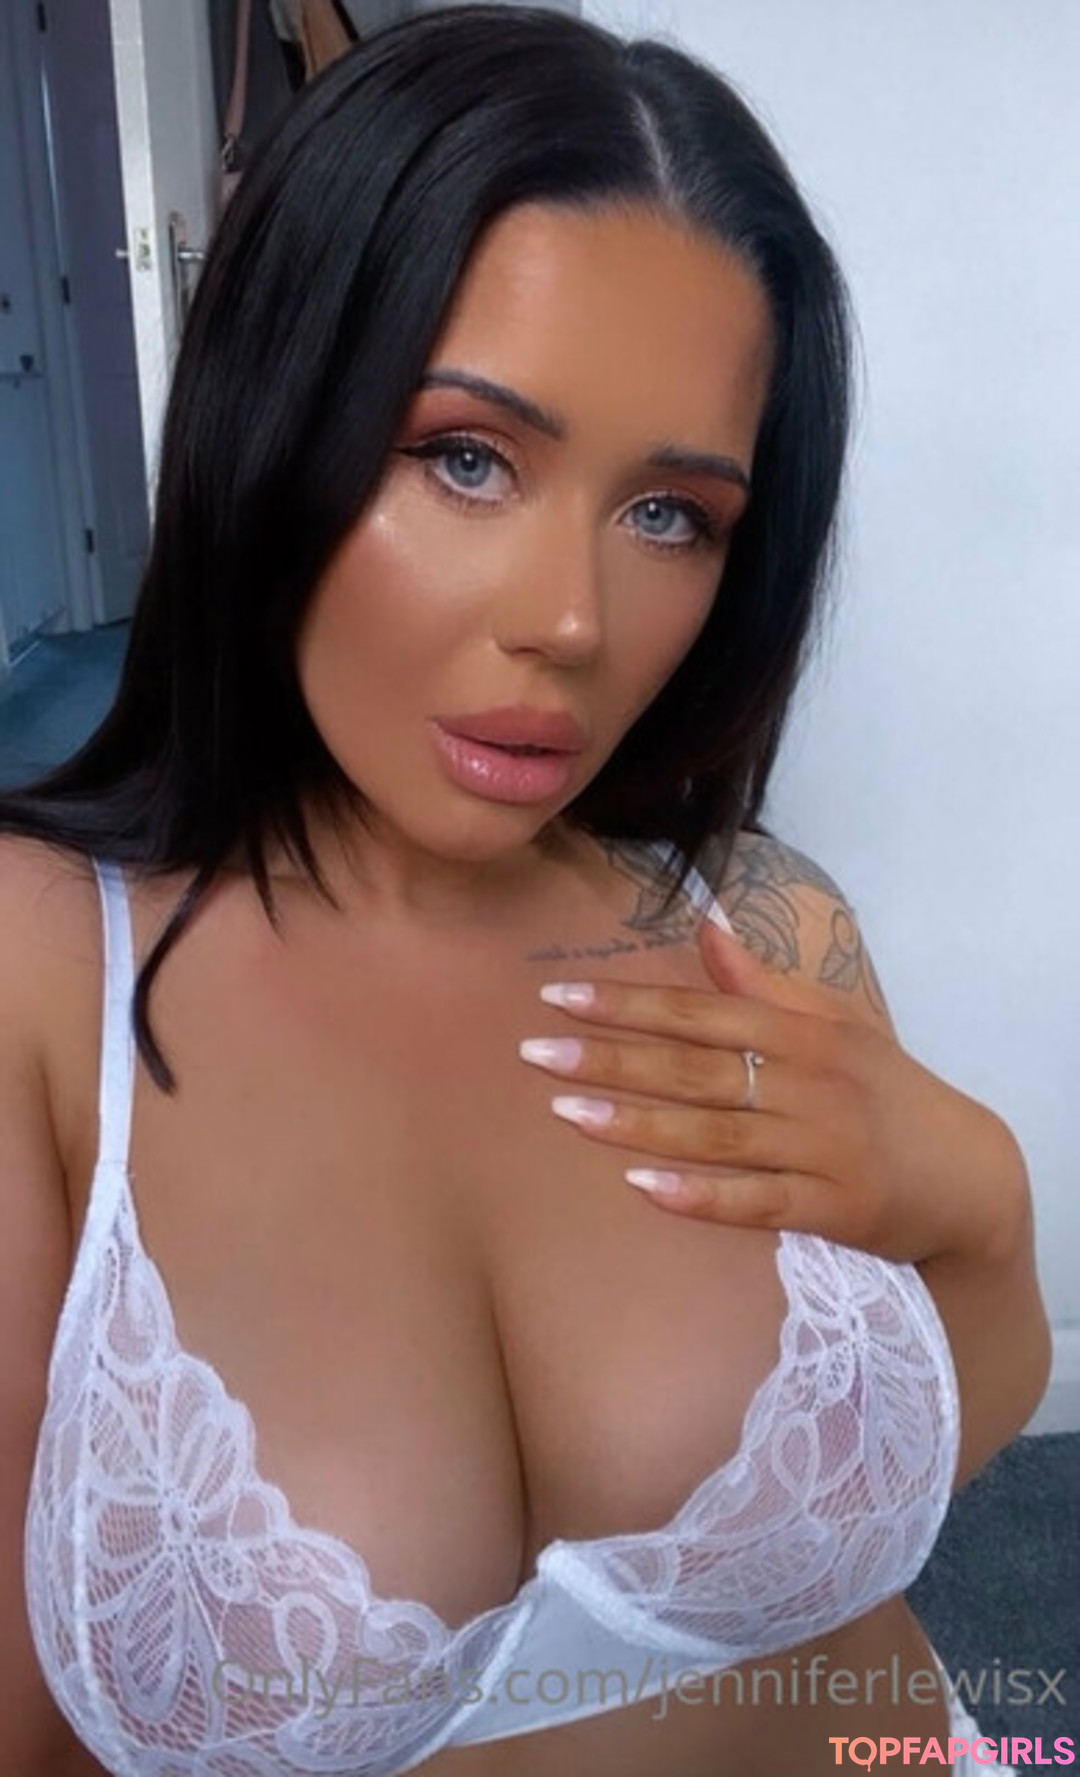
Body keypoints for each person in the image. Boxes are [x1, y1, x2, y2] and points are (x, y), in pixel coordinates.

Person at [0, 7, 1051, 1775]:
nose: (571, 620)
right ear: (275, 416)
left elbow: (954, 1419)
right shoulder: (41, 975)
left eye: (671, 515)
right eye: (467, 457)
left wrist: (984, 1195)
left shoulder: (759, 924)